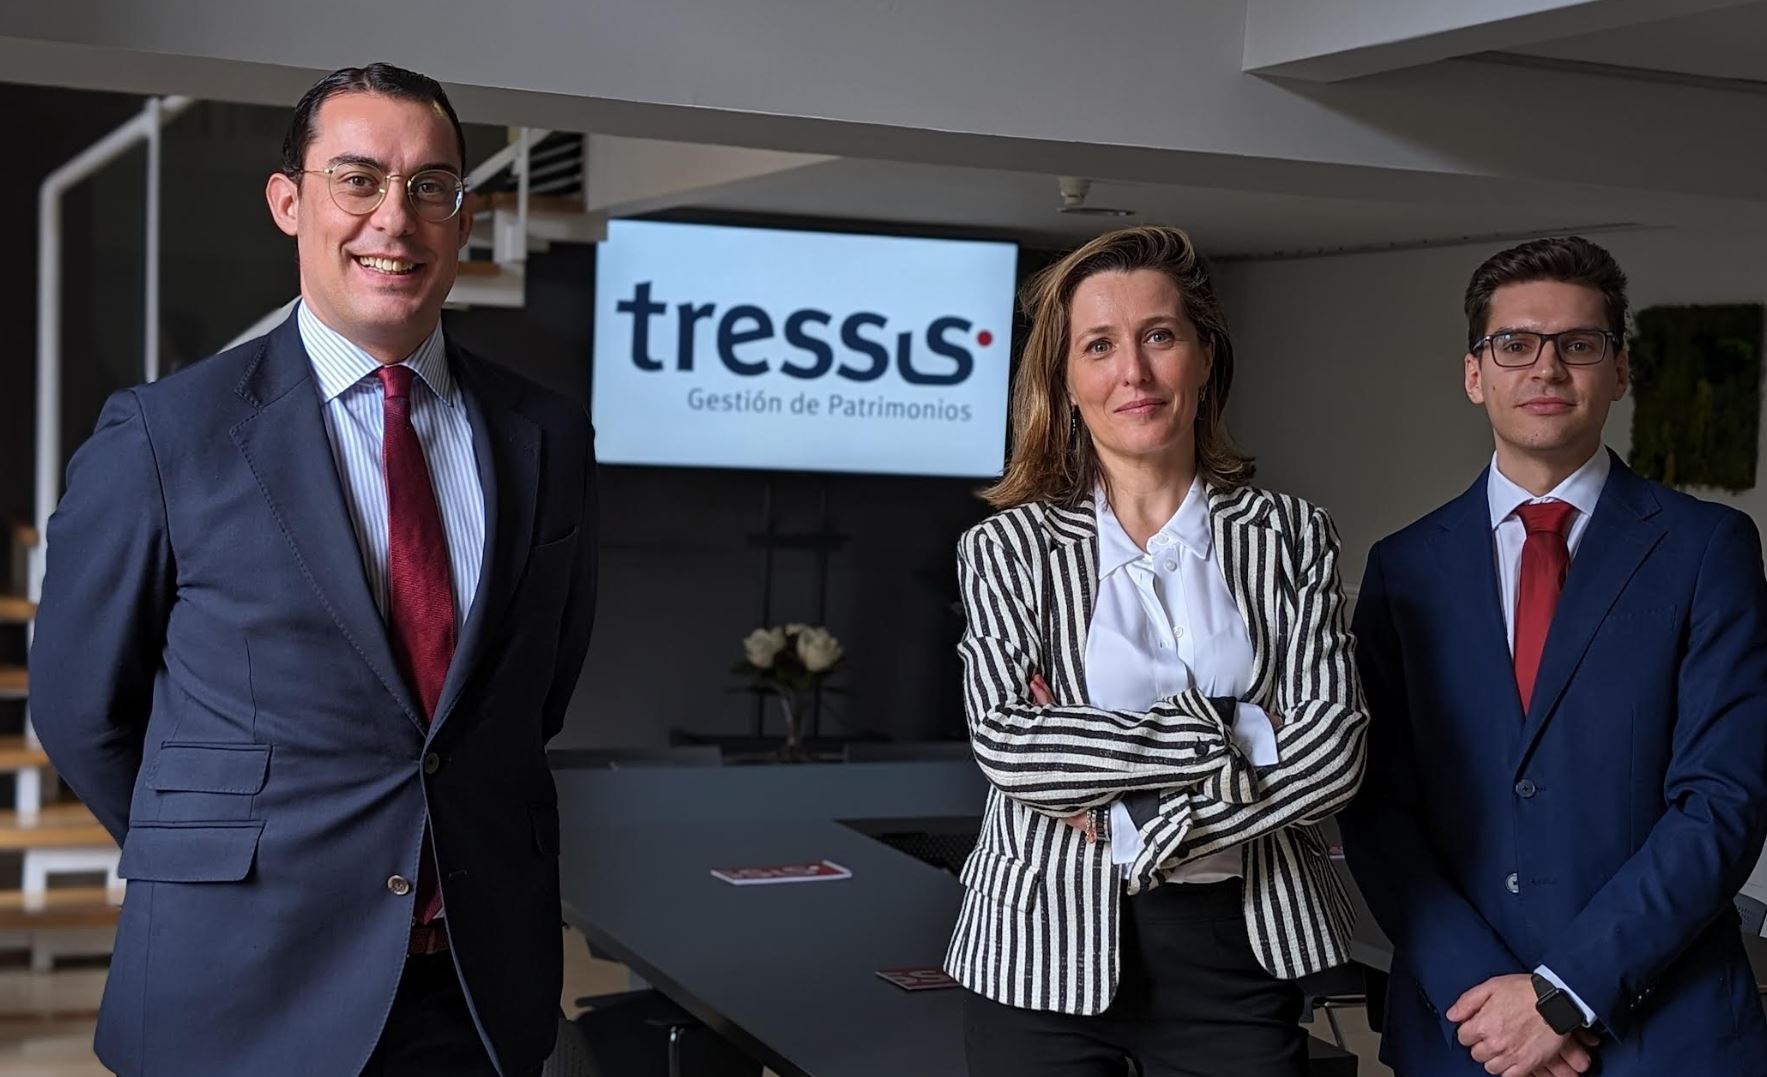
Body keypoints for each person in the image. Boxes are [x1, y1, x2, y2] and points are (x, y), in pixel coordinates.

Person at [30, 63, 597, 1077]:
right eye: (359, 179)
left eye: (430, 186)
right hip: (241, 984)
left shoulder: (546, 435)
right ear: (289, 203)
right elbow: (80, 710)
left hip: (472, 990)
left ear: (464, 219)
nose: (396, 218)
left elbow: (535, 694)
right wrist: (221, 851)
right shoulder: (165, 435)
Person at [944, 225, 1368, 1076]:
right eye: (1098, 345)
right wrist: (1239, 727)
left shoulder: (1291, 534)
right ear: (1064, 383)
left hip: (1239, 947)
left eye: (1159, 336)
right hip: (1035, 951)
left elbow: (1330, 754)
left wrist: (1139, 820)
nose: (1132, 372)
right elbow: (1011, 742)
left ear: (1203, 357)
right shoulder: (1005, 547)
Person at [1342, 235, 1767, 1077]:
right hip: (1466, 1035)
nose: (1546, 368)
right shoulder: (1402, 567)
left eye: (1578, 344)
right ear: (1474, 374)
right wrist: (1484, 998)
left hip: (1664, 1036)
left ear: (1619, 370)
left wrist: (1564, 993)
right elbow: (1377, 805)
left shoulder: (1707, 549)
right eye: (1514, 344)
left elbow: (1722, 799)